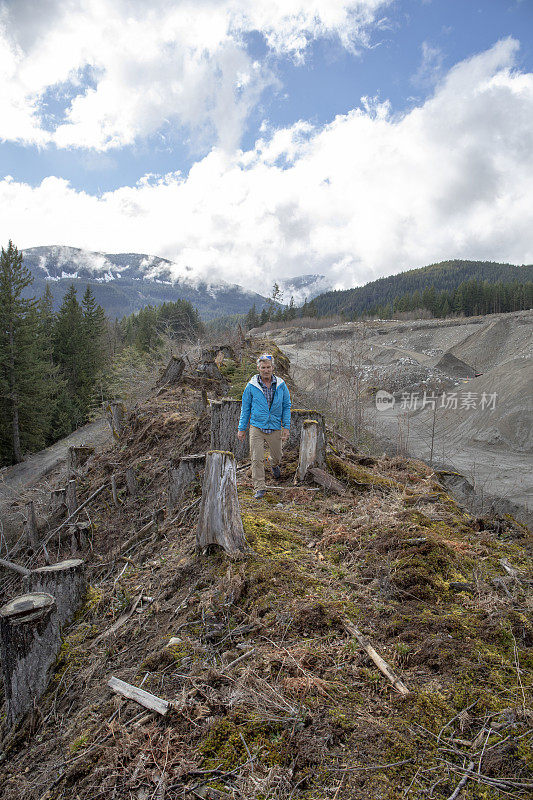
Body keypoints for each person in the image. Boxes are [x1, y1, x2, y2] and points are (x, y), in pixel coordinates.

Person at [237, 353, 291, 499]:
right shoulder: (251, 386)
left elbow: (286, 406)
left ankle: (274, 464)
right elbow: (246, 407)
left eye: (268, 367)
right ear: (258, 368)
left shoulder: (281, 385)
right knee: (256, 458)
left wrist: (286, 427)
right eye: (263, 368)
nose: (266, 370)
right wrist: (242, 429)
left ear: (272, 368)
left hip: (275, 426)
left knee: (278, 456)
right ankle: (260, 487)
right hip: (257, 427)